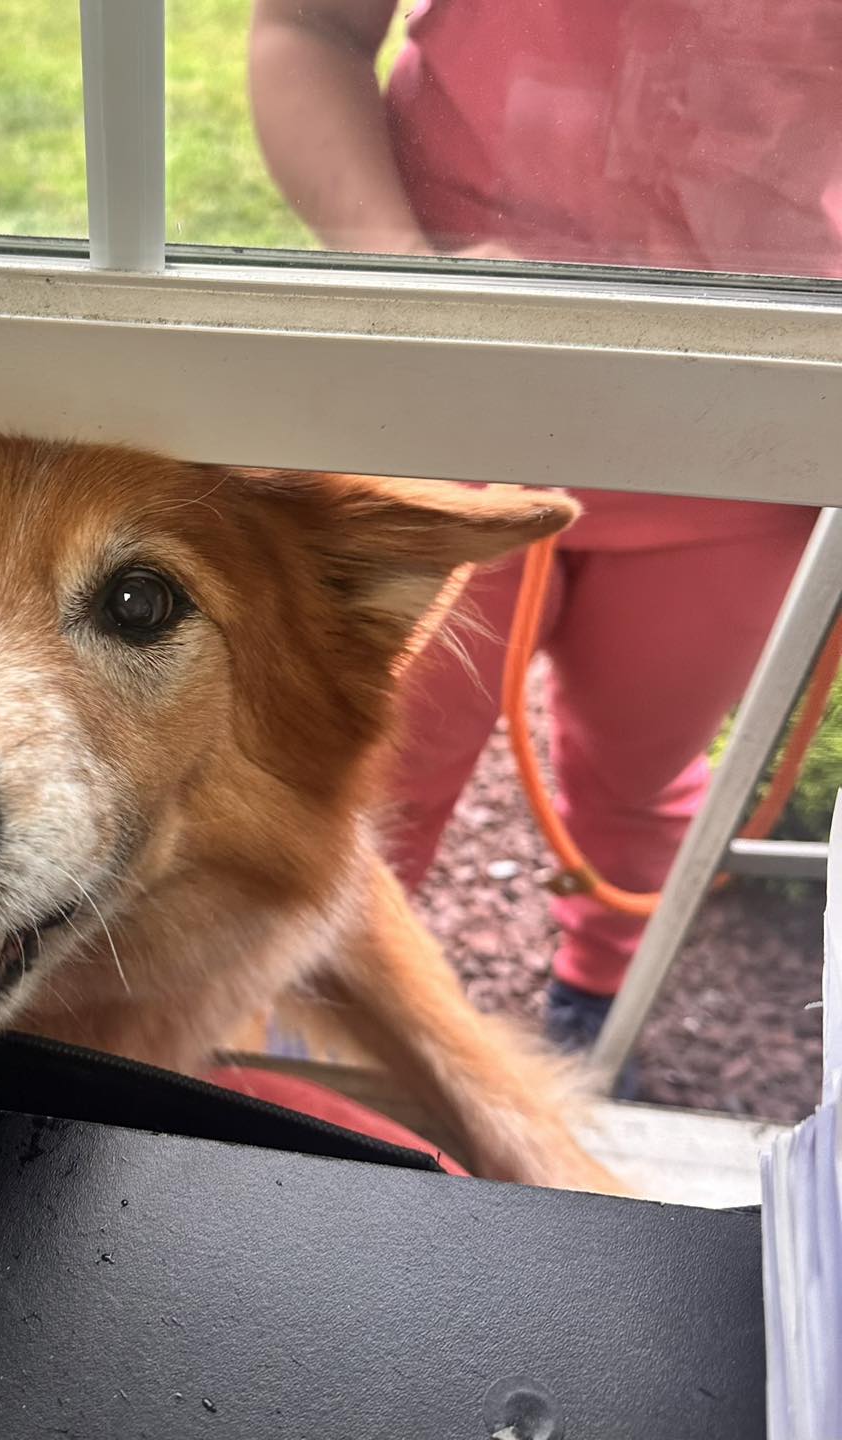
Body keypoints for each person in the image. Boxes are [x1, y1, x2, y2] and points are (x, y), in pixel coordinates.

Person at [249, 0, 823, 1053]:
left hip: (754, 419)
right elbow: (307, 23)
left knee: (644, 770)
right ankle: (319, 1009)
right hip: (452, 385)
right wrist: (411, 275)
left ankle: (601, 994)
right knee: (367, 762)